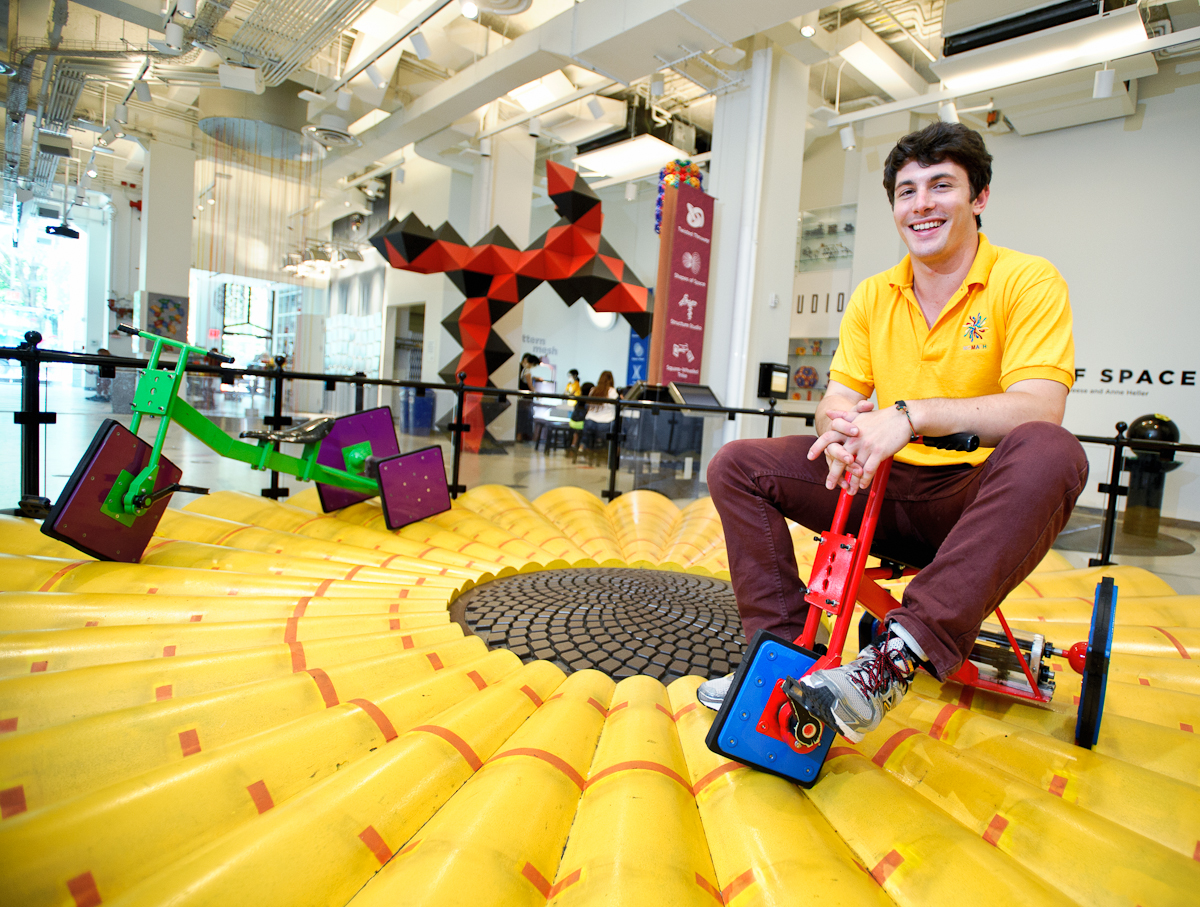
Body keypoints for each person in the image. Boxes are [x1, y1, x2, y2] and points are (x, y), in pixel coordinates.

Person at [698, 122, 1089, 745]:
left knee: (1054, 451)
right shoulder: (874, 294)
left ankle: (889, 664)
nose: (922, 204)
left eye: (941, 186)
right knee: (737, 463)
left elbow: (1039, 407)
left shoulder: (1027, 280)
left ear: (979, 197)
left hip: (971, 506)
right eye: (907, 192)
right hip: (877, 487)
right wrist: (843, 429)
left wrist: (907, 417)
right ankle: (779, 661)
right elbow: (837, 400)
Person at [578, 370, 619, 454]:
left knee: (588, 436)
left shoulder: (593, 390)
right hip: (605, 424)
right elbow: (617, 405)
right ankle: (610, 452)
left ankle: (583, 445)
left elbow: (587, 406)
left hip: (590, 423)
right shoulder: (612, 391)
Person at [515, 353, 540, 441]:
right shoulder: (527, 371)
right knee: (524, 417)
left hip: (522, 398)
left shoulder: (523, 370)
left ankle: (520, 436)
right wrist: (537, 394)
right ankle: (520, 436)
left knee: (521, 417)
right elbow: (530, 385)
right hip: (526, 399)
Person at [567, 381, 594, 454]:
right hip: (581, 424)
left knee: (577, 432)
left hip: (572, 422)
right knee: (590, 428)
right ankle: (584, 446)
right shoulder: (589, 401)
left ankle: (573, 445)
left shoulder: (579, 399)